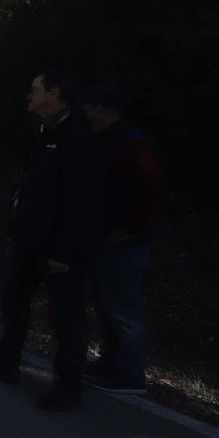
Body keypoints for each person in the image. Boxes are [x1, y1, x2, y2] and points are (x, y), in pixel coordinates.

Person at [0, 70, 99, 411]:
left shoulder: (77, 136)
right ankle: (6, 363)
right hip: (30, 240)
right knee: (13, 300)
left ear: (53, 93)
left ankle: (68, 387)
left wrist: (65, 249)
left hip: (59, 247)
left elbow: (80, 200)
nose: (29, 95)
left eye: (34, 90)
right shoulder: (46, 132)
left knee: (67, 318)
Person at [81, 84, 164, 395]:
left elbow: (149, 189)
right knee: (107, 304)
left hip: (124, 241)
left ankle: (130, 375)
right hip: (105, 238)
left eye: (89, 107)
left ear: (101, 109)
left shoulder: (130, 145)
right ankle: (110, 363)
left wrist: (130, 227)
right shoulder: (108, 140)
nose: (86, 112)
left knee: (124, 308)